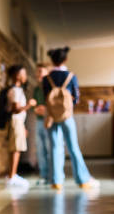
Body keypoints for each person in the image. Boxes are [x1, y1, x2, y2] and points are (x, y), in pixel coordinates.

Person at [43, 47, 100, 190]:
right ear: (65, 59)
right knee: (73, 147)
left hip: (52, 116)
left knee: (55, 147)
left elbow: (45, 98)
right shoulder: (71, 76)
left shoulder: (46, 79)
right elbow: (76, 98)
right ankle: (82, 180)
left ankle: (56, 181)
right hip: (67, 116)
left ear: (51, 60)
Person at [5, 65, 37, 188]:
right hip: (15, 121)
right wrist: (29, 104)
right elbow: (15, 109)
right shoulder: (15, 90)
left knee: (16, 148)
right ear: (18, 75)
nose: (25, 77)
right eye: (24, 73)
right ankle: (12, 176)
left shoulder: (17, 90)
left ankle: (12, 175)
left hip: (18, 122)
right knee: (16, 149)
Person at [33, 63, 52, 185]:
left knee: (50, 149)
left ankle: (53, 175)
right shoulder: (36, 89)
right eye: (37, 71)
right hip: (38, 121)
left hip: (49, 121)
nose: (39, 74)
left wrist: (45, 109)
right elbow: (33, 105)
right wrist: (34, 109)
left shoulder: (50, 87)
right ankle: (43, 175)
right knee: (40, 149)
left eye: (41, 71)